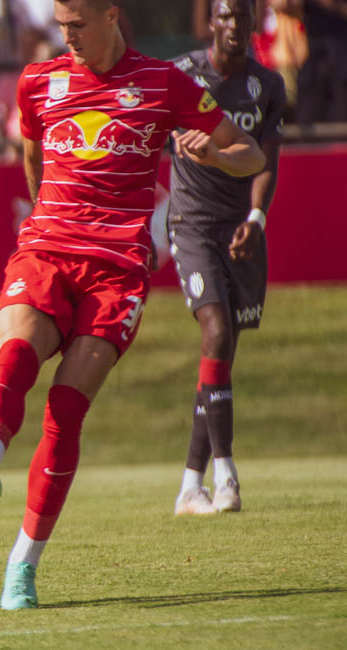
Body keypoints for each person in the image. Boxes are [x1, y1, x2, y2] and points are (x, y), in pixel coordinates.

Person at [0, 0, 265, 610]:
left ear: (112, 15)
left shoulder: (163, 82)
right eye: (61, 26)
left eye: (78, 25)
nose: (69, 37)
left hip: (116, 270)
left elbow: (252, 153)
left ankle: (22, 565)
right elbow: (31, 157)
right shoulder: (38, 81)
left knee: (65, 408)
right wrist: (48, 218)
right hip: (47, 249)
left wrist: (215, 155)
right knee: (17, 351)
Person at [167, 0, 285, 516]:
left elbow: (265, 161)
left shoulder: (268, 86)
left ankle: (190, 487)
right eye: (225, 16)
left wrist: (256, 218)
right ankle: (227, 476)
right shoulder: (180, 74)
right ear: (210, 22)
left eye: (242, 16)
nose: (234, 25)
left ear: (254, 21)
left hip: (239, 228)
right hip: (192, 223)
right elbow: (151, 128)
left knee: (221, 355)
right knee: (214, 331)